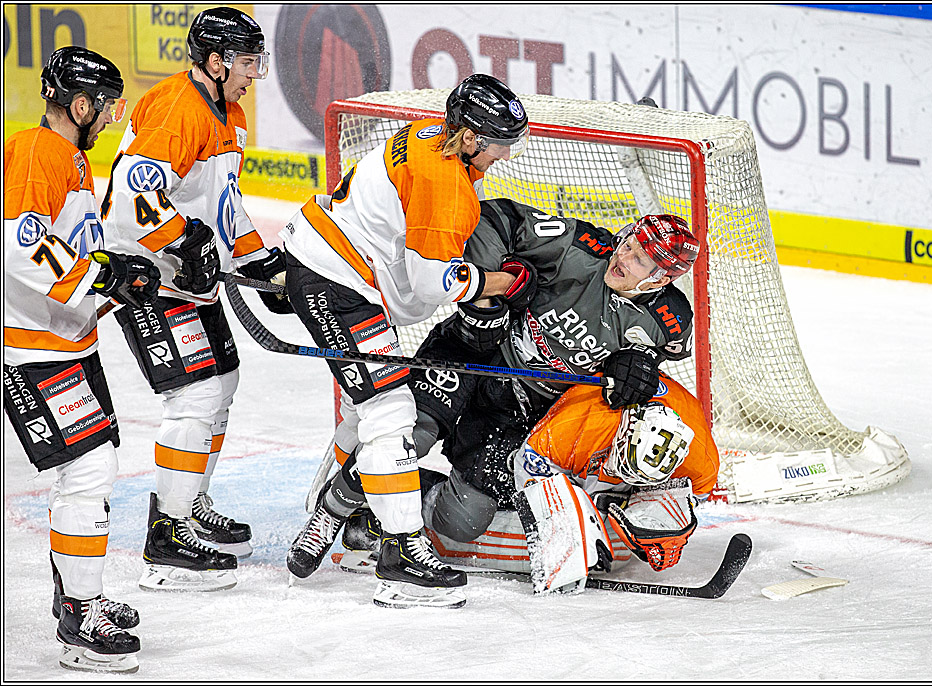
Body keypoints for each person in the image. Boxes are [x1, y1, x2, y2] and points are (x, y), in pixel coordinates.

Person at [293, 199, 700, 580]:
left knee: (464, 519)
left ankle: (381, 506)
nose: (623, 258)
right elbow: (493, 219)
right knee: (408, 435)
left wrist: (638, 367)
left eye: (640, 259)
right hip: (475, 354)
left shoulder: (668, 321)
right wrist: (489, 297)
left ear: (661, 278)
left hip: (521, 409)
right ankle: (331, 511)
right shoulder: (579, 246)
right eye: (628, 245)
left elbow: (650, 367)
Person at [283, 73, 532, 609]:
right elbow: (427, 284)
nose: (504, 155)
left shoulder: (423, 134)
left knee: (366, 406)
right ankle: (401, 558)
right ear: (468, 138)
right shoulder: (449, 186)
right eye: (499, 144)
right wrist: (492, 282)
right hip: (338, 285)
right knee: (391, 413)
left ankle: (332, 508)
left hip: (333, 264)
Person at [103, 7, 286, 592]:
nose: (256, 73)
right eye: (248, 60)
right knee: (196, 395)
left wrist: (260, 259)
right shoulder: (179, 108)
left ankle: (191, 501)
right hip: (148, 275)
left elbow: (223, 205)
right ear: (215, 60)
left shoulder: (225, 110)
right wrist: (181, 237)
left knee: (223, 382)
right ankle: (167, 534)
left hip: (189, 275)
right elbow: (135, 199)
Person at [4, 46, 160, 673]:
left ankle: (77, 596)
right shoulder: (36, 152)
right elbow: (22, 248)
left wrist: (115, 270)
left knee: (94, 469)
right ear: (79, 105)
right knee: (89, 473)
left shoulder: (62, 154)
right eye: (105, 106)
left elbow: (66, 243)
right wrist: (103, 281)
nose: (110, 118)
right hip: (34, 349)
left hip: (65, 341)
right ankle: (80, 613)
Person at [506, 372, 720, 593]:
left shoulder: (701, 461)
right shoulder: (579, 421)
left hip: (630, 445)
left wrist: (658, 523)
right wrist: (564, 535)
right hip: (576, 432)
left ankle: (633, 485)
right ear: (625, 431)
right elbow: (526, 466)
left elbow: (693, 497)